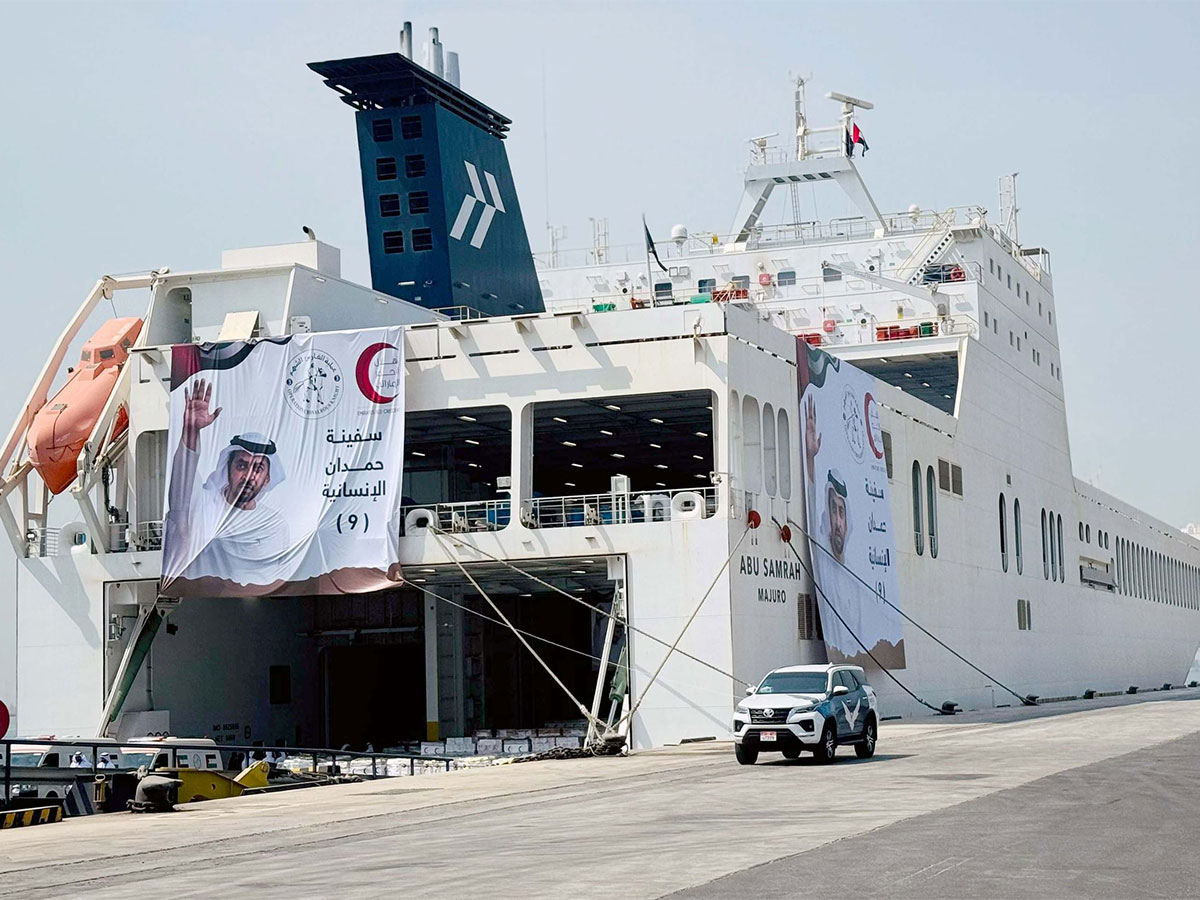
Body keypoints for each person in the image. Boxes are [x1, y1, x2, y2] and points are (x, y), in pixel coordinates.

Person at [163, 378, 290, 585]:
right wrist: (191, 431)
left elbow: (261, 578)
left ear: (267, 479)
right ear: (228, 469)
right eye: (241, 465)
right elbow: (182, 481)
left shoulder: (273, 525)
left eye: (258, 468)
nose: (249, 475)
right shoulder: (202, 503)